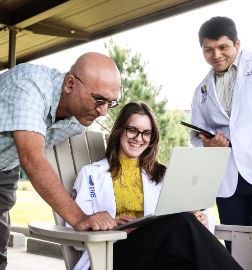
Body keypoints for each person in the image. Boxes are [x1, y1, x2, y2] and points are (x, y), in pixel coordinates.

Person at [70, 101, 243, 270]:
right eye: (132, 130)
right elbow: (74, 228)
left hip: (156, 256)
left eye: (146, 133)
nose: (139, 138)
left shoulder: (160, 175)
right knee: (181, 221)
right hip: (112, 256)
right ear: (119, 131)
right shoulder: (91, 174)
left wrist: (203, 220)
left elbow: (191, 216)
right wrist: (114, 227)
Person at [0, 52, 121, 270]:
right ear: (70, 83)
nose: (103, 111)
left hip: (4, 169)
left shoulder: (81, 116)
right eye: (99, 99)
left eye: (110, 103)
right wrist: (79, 217)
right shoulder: (29, 85)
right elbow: (32, 158)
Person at [191, 16, 252, 266]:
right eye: (208, 49)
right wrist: (207, 143)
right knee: (235, 253)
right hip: (228, 183)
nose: (216, 55)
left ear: (237, 43)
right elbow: (195, 136)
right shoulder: (201, 91)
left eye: (223, 47)